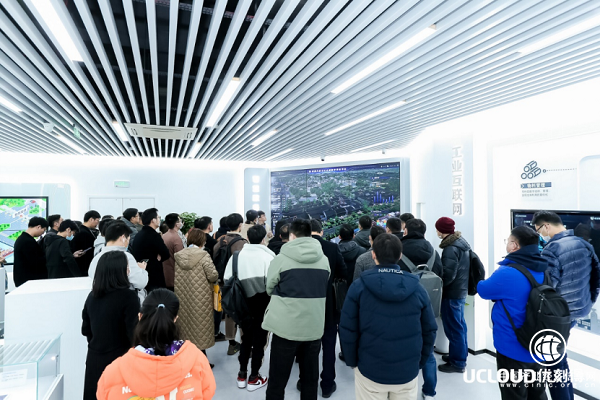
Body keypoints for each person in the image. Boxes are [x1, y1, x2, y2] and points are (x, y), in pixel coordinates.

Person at [339, 234, 437, 400]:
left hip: (370, 369)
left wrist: (352, 361)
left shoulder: (358, 287)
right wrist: (419, 362)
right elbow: (430, 330)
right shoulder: (417, 288)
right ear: (400, 256)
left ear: (373, 254)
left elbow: (347, 329)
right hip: (407, 371)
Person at [96, 289, 216, 400]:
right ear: (175, 319)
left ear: (140, 316)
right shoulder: (197, 360)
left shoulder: (112, 374)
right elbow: (207, 393)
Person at [533, 210, 600, 400]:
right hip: (576, 311)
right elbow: (596, 278)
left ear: (546, 226)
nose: (539, 234)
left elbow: (547, 287)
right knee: (558, 359)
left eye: (538, 229)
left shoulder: (552, 249)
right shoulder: (583, 243)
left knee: (553, 364)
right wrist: (588, 302)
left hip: (557, 316)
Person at [478, 226, 549, 400]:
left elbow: (483, 290)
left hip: (512, 346)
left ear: (514, 245)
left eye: (507, 241)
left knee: (513, 394)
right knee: (538, 393)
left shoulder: (508, 272)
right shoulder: (544, 270)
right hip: (539, 345)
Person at [263, 219, 330, 400]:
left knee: (277, 382)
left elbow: (269, 287)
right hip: (314, 326)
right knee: (310, 381)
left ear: (292, 235)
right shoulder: (324, 260)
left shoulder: (280, 259)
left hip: (285, 327)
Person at [81, 251, 140, 400]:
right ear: (119, 271)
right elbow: (134, 334)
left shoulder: (92, 296)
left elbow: (86, 330)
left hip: (94, 359)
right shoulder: (129, 297)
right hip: (120, 360)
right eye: (127, 267)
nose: (129, 270)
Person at [224, 225, 274, 392]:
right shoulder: (268, 257)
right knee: (260, 341)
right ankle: (254, 377)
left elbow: (227, 279)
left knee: (245, 338)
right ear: (263, 239)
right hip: (262, 304)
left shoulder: (237, 256)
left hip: (241, 304)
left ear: (248, 238)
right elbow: (272, 285)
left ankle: (241, 375)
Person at [398, 218, 442, 398]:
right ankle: (429, 391)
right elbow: (441, 274)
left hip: (404, 308)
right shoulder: (433, 252)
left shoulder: (399, 250)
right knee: (428, 351)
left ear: (405, 231)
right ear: (424, 232)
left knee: (402, 349)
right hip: (429, 307)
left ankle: (404, 389)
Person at [310, 219, 347, 398]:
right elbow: (343, 272)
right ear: (322, 231)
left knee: (307, 346)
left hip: (305, 304)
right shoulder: (332, 248)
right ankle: (327, 384)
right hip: (328, 303)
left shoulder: (297, 248)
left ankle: (306, 381)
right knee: (329, 345)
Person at [174, 228, 219, 365]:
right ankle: (201, 361)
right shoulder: (203, 255)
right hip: (201, 298)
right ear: (202, 241)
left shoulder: (179, 255)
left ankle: (188, 359)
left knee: (186, 326)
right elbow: (213, 275)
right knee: (200, 327)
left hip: (183, 296)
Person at [436, 216, 471, 373]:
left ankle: (458, 362)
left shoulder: (450, 248)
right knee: (460, 326)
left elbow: (448, 275)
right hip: (460, 291)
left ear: (441, 230)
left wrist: (438, 286)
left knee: (454, 328)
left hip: (452, 293)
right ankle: (458, 355)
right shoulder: (461, 243)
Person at [89, 221, 148, 304]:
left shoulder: (96, 258)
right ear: (123, 237)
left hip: (102, 302)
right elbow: (141, 283)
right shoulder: (125, 257)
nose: (128, 243)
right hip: (125, 303)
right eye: (128, 239)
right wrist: (142, 270)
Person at [213, 213, 248, 355]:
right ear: (240, 225)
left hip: (223, 282)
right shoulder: (242, 243)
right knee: (243, 312)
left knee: (229, 312)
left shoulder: (220, 241)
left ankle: (231, 343)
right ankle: (245, 343)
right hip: (239, 282)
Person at [132, 208, 171, 292]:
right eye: (158, 217)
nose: (159, 220)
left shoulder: (139, 234)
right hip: (154, 274)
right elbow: (166, 253)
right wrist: (158, 256)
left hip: (141, 272)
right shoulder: (154, 235)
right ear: (153, 220)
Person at [13, 216, 48, 287]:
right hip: (28, 280)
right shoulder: (27, 241)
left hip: (24, 279)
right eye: (43, 230)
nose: (43, 233)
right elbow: (35, 261)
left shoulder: (22, 238)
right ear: (38, 227)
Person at [71, 210, 101, 276]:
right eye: (97, 220)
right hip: (84, 265)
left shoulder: (86, 230)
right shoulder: (83, 232)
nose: (98, 223)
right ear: (91, 219)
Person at [162, 213, 185, 291]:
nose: (181, 223)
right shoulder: (176, 238)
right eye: (180, 221)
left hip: (165, 273)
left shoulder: (164, 236)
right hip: (174, 275)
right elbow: (180, 258)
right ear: (176, 224)